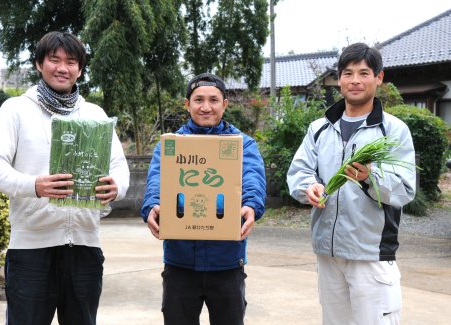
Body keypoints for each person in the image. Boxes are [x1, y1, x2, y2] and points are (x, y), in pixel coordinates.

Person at [0, 31, 130, 325]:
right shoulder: (16, 110)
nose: (63, 68)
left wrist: (117, 187)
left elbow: (119, 167)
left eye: (71, 62)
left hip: (85, 248)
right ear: (39, 64)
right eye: (54, 60)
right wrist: (34, 185)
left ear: (80, 69)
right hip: (31, 250)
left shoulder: (94, 114)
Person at [287, 43, 416, 325]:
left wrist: (369, 177)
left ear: (378, 78)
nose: (355, 80)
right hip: (329, 254)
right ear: (339, 79)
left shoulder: (393, 130)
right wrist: (308, 187)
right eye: (348, 73)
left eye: (364, 73)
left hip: (371, 255)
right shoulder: (319, 128)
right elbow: (299, 171)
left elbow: (405, 188)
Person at [141, 73, 266, 325]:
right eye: (198, 100)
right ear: (187, 104)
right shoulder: (171, 145)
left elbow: (252, 178)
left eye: (213, 100)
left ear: (225, 104)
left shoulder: (242, 144)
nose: (206, 107)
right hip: (180, 260)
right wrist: (152, 204)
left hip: (227, 260)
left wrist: (251, 205)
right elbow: (158, 178)